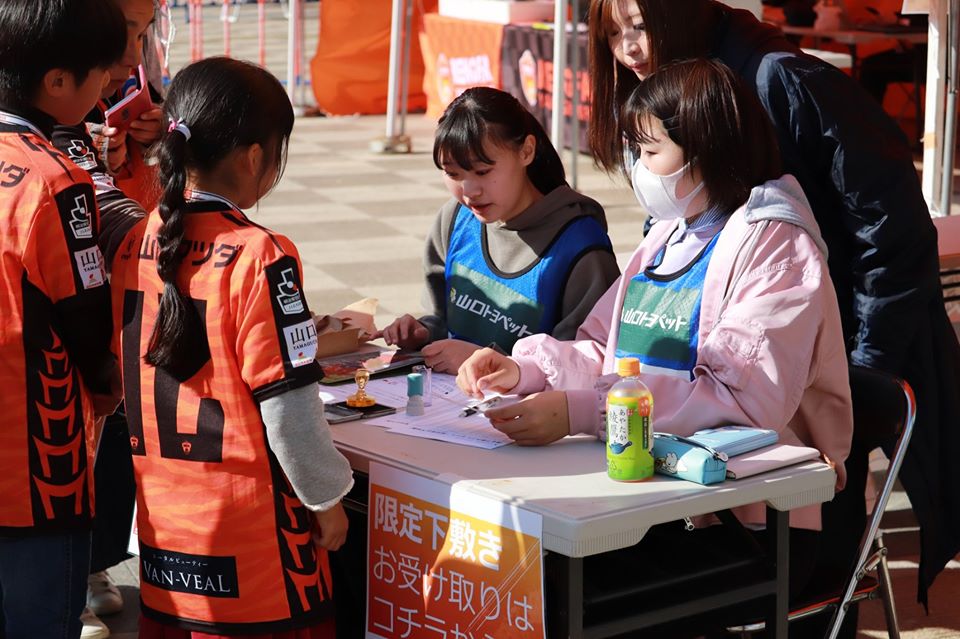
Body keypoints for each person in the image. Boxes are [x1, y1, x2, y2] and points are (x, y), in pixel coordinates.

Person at [585, 0, 960, 619]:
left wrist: (856, 370)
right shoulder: (682, 151)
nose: (628, 48)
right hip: (727, 424)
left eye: (640, 26)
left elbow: (891, 231)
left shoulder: (779, 80)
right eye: (612, 34)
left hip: (802, 372)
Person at [457, 58, 853, 632]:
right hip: (654, 500)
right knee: (510, 568)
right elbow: (603, 347)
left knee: (550, 592)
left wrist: (582, 411)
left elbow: (741, 402)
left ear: (707, 148)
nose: (636, 169)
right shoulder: (671, 234)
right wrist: (525, 371)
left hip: (750, 526)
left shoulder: (776, 246)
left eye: (648, 152)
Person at [107, 56, 354, 638]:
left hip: (166, 541)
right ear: (254, 157)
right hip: (258, 556)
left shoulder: (138, 241)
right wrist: (327, 499)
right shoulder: (261, 255)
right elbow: (289, 412)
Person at [0, 1, 127, 637]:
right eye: (102, 75)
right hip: (31, 465)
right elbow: (85, 313)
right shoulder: (54, 179)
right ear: (57, 81)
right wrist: (109, 382)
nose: (110, 87)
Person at [50, 1, 163, 637]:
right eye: (124, 32)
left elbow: (128, 214)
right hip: (62, 318)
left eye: (145, 34)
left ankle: (95, 562)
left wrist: (142, 152)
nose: (132, 50)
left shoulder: (136, 89)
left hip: (119, 293)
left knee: (117, 425)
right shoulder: (45, 104)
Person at [376, 87, 619, 373]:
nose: (469, 192)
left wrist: (487, 362)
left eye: (482, 172)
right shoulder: (455, 219)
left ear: (526, 151)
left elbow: (583, 366)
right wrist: (423, 332)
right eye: (452, 174)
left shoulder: (580, 247)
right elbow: (442, 319)